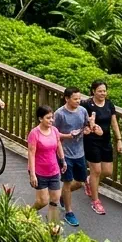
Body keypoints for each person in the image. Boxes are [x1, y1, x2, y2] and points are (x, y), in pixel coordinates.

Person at [83, 80, 122, 216]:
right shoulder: (87, 104)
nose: (102, 93)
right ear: (93, 91)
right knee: (96, 171)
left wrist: (119, 140)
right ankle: (95, 201)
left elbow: (114, 123)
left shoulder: (109, 104)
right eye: (100, 91)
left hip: (105, 141)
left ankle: (89, 181)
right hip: (91, 141)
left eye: (104, 91)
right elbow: (81, 120)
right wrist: (89, 127)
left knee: (107, 171)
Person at [54, 87, 90, 227]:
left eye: (79, 98)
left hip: (79, 152)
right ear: (67, 99)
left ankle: (63, 195)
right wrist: (68, 136)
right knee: (67, 182)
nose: (78, 101)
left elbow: (86, 126)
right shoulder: (60, 114)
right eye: (75, 99)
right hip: (65, 153)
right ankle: (69, 212)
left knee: (80, 182)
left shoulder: (82, 111)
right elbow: (53, 133)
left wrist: (87, 130)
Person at [28, 105, 65, 226]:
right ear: (40, 119)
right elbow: (31, 154)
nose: (51, 120)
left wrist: (63, 160)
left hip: (54, 170)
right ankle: (27, 213)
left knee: (55, 200)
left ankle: (52, 226)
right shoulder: (34, 133)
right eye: (48, 118)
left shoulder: (54, 130)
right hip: (40, 172)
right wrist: (33, 174)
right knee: (42, 201)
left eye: (52, 117)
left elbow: (58, 144)